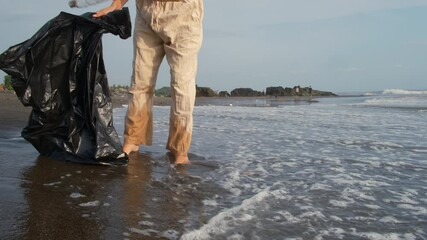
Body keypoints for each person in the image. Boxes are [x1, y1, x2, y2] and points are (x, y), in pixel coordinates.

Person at [94, 0, 204, 164]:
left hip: (184, 13)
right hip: (147, 12)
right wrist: (116, 4)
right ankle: (132, 139)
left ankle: (180, 149)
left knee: (182, 87)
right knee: (140, 81)